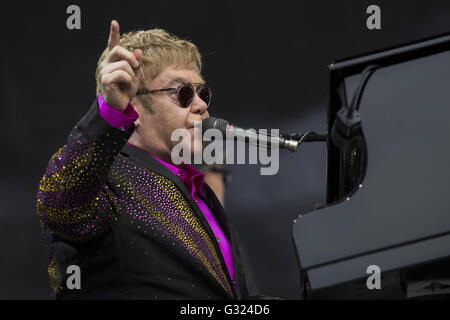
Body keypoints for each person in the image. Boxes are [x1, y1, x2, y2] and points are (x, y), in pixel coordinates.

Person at [36, 20, 248, 299]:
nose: (201, 105)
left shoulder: (198, 190)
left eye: (203, 93)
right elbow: (60, 204)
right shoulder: (106, 179)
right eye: (183, 93)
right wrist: (109, 113)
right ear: (132, 102)